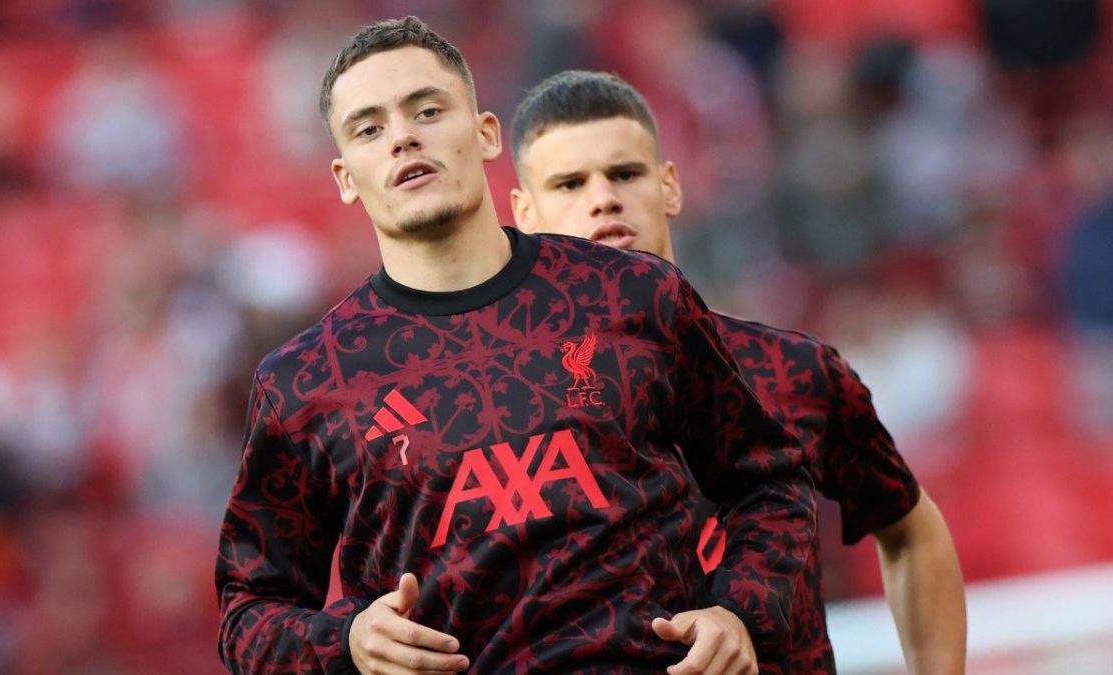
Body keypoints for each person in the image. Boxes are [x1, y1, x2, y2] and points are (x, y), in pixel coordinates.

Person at [215, 16, 817, 675]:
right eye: (369, 128)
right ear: (345, 176)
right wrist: (348, 642)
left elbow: (768, 480)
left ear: (486, 134)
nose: (403, 136)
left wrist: (738, 611)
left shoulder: (636, 294)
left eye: (427, 110)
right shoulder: (305, 382)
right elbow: (249, 610)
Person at [508, 70, 967, 674]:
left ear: (670, 187)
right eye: (569, 183)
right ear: (524, 213)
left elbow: (912, 531)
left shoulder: (793, 371)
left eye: (625, 173)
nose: (603, 198)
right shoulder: (499, 407)